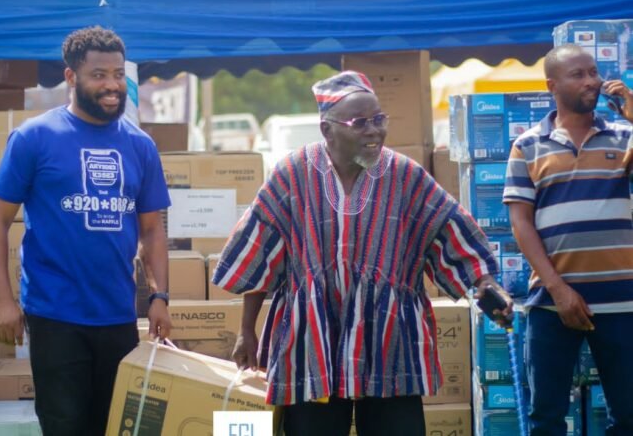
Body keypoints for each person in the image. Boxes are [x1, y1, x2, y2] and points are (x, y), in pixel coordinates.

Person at [212, 70, 511, 436]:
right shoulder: (292, 174)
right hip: (313, 341)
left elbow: (449, 228)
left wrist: (485, 283)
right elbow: (261, 252)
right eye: (360, 123)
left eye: (379, 119)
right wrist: (246, 330)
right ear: (327, 129)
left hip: (389, 339)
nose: (374, 131)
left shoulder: (405, 175)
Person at [0, 26, 172, 436]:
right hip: (55, 315)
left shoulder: (140, 146)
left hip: (117, 315)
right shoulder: (34, 138)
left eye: (118, 75)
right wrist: (2, 301)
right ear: (71, 77)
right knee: (65, 427)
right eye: (99, 75)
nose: (112, 85)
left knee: (115, 426)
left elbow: (152, 230)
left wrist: (159, 296)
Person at [503, 44, 633, 435]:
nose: (592, 81)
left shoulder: (625, 136)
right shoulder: (527, 145)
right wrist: (558, 290)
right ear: (552, 86)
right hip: (551, 303)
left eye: (593, 72)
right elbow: (521, 223)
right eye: (578, 74)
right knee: (546, 418)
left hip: (622, 299)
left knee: (629, 417)